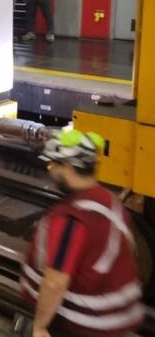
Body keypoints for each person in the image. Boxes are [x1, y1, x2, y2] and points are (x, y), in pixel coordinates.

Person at [20, 129, 144, 337]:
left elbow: (55, 282)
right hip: (117, 317)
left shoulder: (71, 219)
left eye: (53, 164)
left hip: (83, 323)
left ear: (67, 167)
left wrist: (40, 326)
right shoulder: (110, 201)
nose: (50, 170)